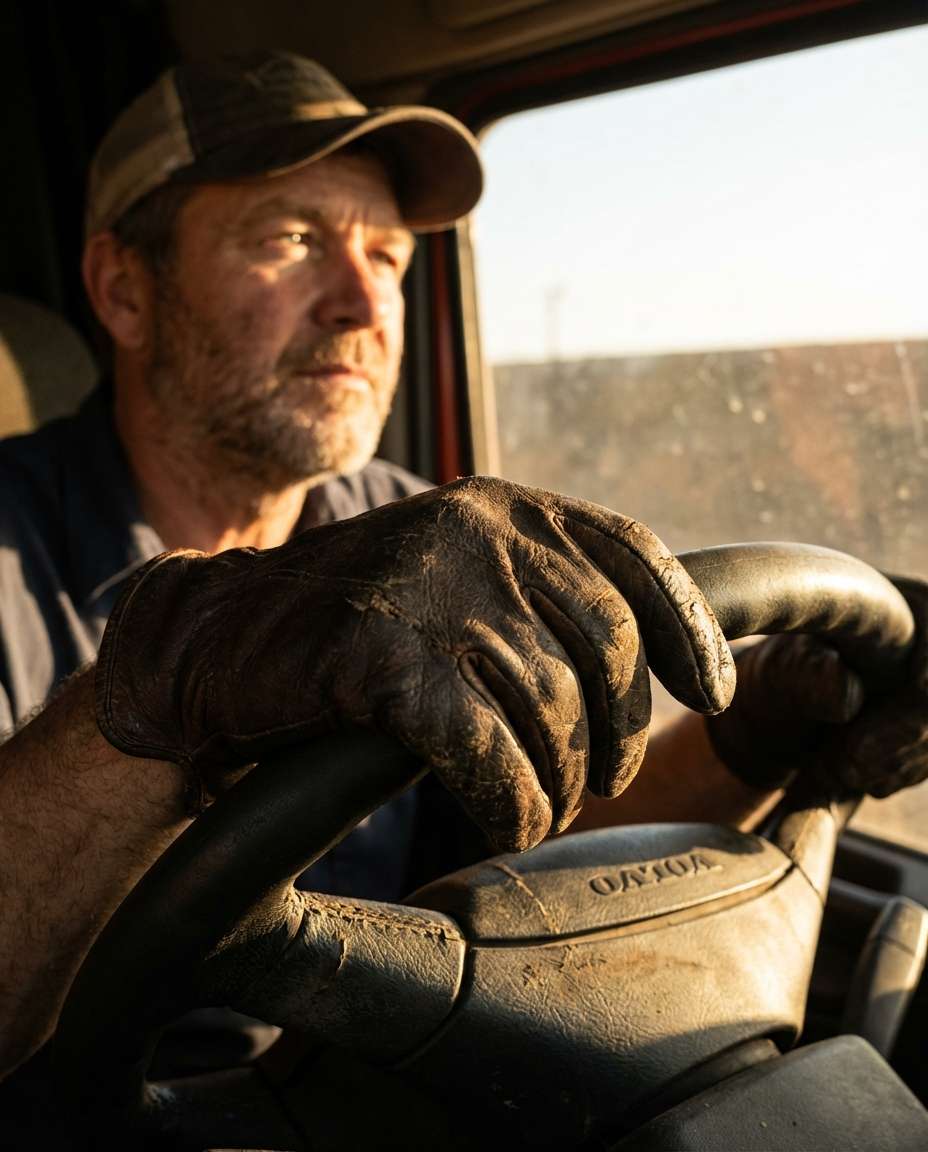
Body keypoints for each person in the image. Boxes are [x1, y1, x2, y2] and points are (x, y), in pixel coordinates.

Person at [1, 50, 926, 1088]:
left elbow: (519, 862)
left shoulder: (402, 540)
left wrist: (757, 734)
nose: (363, 303)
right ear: (124, 291)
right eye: (292, 239)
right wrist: (165, 692)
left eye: (388, 256)